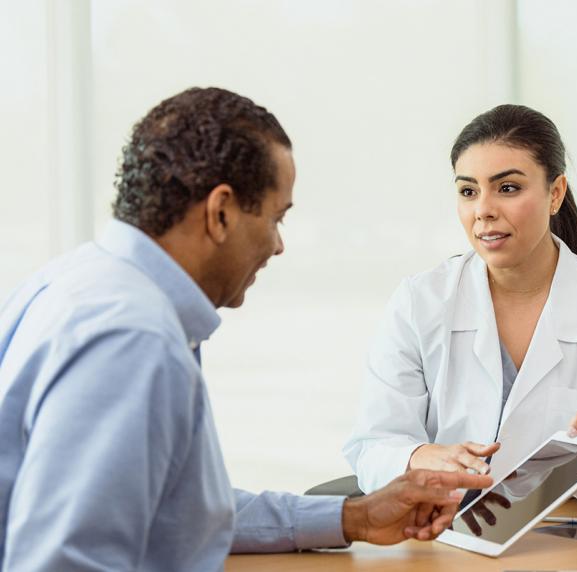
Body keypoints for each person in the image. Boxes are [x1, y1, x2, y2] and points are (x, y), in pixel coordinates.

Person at [0, 87, 491, 571]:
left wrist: (354, 517)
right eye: (276, 218)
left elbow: (173, 512)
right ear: (221, 213)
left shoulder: (75, 283)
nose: (278, 246)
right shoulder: (133, 338)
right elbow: (64, 561)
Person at [343, 104, 577, 506]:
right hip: (445, 532)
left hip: (569, 539)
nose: (483, 210)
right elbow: (373, 446)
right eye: (468, 191)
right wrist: (421, 458)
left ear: (555, 193)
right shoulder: (420, 302)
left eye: (508, 188)